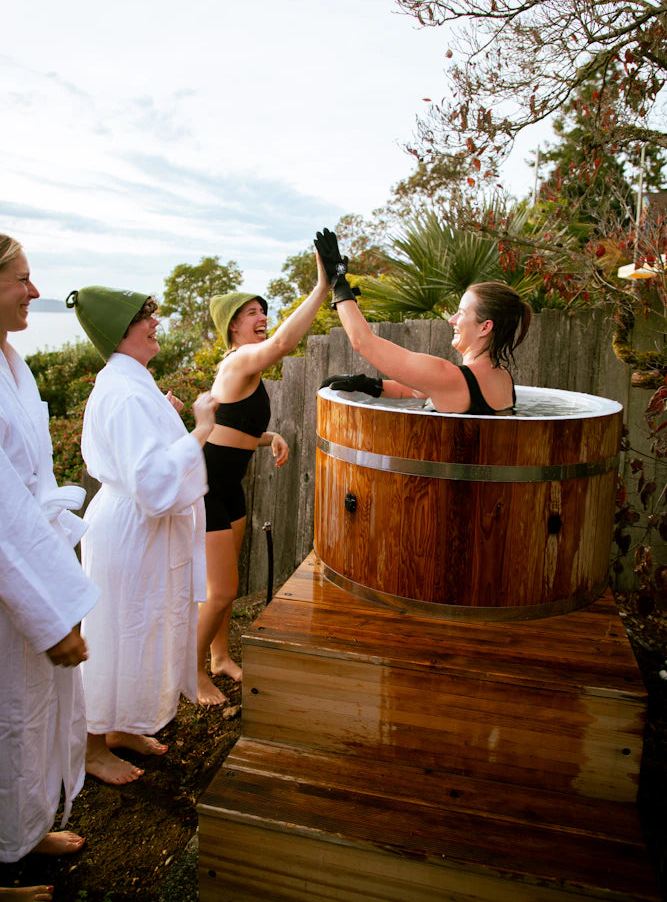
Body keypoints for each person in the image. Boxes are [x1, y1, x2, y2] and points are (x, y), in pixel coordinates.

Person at [67, 285, 218, 784]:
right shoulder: (125, 391)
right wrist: (197, 430)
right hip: (131, 532)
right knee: (113, 634)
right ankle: (91, 747)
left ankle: (122, 727)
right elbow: (153, 483)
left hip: (140, 531)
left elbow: (147, 459)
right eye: (144, 318)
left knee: (141, 631)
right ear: (119, 332)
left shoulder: (135, 384)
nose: (156, 324)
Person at [0, 236, 100, 901]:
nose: (35, 293)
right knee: (7, 714)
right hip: (12, 579)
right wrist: (50, 615)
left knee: (25, 712)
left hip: (29, 563)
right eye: (23, 280)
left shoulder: (13, 361)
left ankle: (21, 831)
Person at [196, 251, 330, 705]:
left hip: (229, 486)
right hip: (208, 488)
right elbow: (282, 345)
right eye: (252, 313)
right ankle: (191, 673)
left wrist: (268, 435)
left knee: (226, 584)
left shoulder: (244, 369)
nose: (263, 317)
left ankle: (218, 657)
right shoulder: (237, 363)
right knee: (219, 592)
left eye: (263, 310)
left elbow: (227, 432)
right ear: (233, 326)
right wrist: (321, 287)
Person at [314, 227, 532, 412]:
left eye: (462, 313)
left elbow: (363, 342)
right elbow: (419, 390)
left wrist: (338, 282)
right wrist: (371, 385)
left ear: (485, 327)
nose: (452, 320)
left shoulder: (450, 377)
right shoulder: (502, 377)